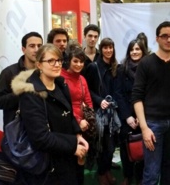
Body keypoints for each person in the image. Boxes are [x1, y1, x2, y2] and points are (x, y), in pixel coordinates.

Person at [11, 44, 89, 184]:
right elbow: (40, 138)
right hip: (47, 165)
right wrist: (73, 146)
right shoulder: (31, 93)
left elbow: (69, 114)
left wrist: (77, 135)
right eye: (51, 61)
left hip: (67, 157)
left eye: (59, 60)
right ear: (39, 64)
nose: (57, 64)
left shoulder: (60, 84)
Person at [132, 21, 170, 185]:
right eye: (164, 36)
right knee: (151, 172)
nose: (168, 39)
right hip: (153, 124)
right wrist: (144, 128)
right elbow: (136, 97)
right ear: (157, 38)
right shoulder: (146, 63)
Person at [83, 37, 121, 185]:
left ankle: (106, 171)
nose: (108, 50)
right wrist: (100, 101)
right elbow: (88, 90)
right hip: (100, 113)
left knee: (111, 147)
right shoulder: (93, 67)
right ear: (101, 49)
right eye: (105, 47)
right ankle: (101, 174)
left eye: (110, 47)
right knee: (104, 146)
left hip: (114, 112)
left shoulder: (115, 66)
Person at [0, 32, 43, 128]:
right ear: (23, 49)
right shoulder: (9, 72)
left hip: (42, 131)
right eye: (32, 46)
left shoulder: (45, 71)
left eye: (39, 46)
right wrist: (23, 94)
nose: (36, 50)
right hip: (18, 134)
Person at [115, 39, 147, 185]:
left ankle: (140, 177)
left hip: (144, 116)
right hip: (126, 115)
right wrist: (127, 116)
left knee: (143, 147)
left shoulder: (148, 68)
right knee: (125, 148)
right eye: (132, 49)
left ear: (143, 51)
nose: (134, 52)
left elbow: (151, 93)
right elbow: (118, 94)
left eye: (137, 49)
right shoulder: (122, 68)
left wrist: (142, 116)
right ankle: (128, 176)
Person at [61, 43, 93, 185]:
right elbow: (63, 104)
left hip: (83, 125)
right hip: (67, 125)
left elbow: (88, 101)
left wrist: (89, 119)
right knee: (69, 164)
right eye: (76, 61)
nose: (79, 64)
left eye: (81, 61)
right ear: (68, 60)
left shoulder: (82, 79)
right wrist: (78, 121)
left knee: (81, 161)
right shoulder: (60, 78)